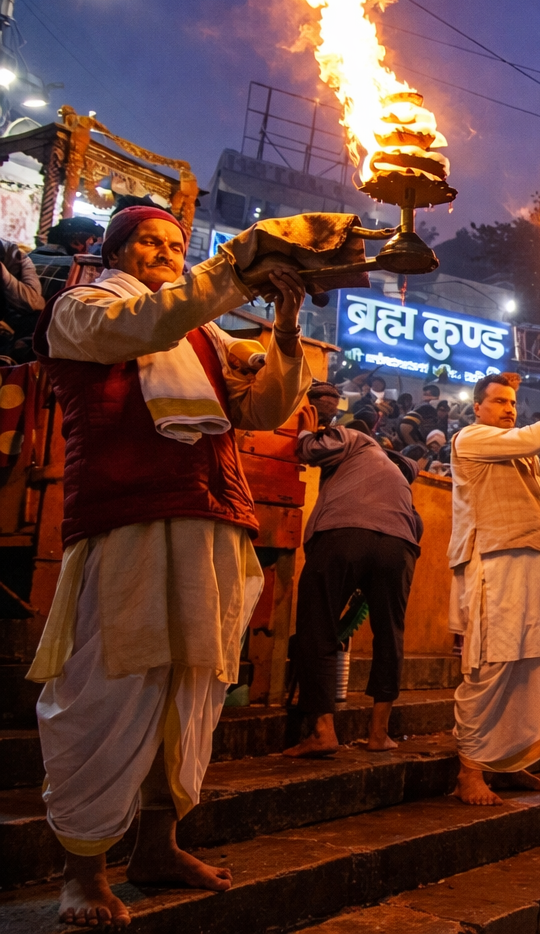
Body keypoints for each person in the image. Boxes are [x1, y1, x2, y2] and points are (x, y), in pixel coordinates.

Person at [25, 205, 314, 926]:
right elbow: (147, 324)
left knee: (193, 693)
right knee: (107, 689)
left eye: (175, 245)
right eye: (148, 241)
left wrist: (282, 330)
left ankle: (158, 845)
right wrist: (236, 270)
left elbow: (264, 408)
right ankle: (82, 874)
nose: (163, 251)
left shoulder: (203, 332)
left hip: (214, 521)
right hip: (128, 521)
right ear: (119, 251)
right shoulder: (84, 308)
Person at [445, 372, 540, 806]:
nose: (508, 409)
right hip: (497, 561)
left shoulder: (518, 451)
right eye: (498, 402)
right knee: (494, 661)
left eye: (512, 403)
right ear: (477, 408)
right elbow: (531, 439)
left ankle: (509, 761)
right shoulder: (471, 438)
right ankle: (469, 770)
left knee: (535, 663)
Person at [283, 396, 423, 758]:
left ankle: (323, 731)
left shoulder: (355, 438)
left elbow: (312, 450)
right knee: (389, 635)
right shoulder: (399, 469)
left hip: (343, 533)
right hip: (401, 544)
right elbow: (416, 522)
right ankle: (379, 734)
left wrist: (306, 431)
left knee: (319, 627)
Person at [31, 216, 103, 300]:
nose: (91, 244)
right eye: (92, 240)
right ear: (76, 240)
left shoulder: (28, 257)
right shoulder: (75, 266)